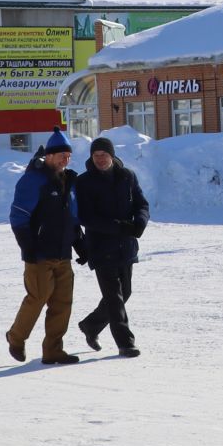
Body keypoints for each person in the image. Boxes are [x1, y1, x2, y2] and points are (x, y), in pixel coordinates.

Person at [6, 130, 83, 366]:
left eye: (68, 156)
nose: (65, 160)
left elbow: (73, 217)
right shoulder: (33, 180)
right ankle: (16, 338)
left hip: (63, 253)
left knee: (62, 302)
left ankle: (53, 350)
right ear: (49, 156)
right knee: (38, 297)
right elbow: (19, 216)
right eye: (61, 155)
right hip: (39, 253)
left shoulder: (69, 181)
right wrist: (27, 247)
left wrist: (80, 244)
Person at [75, 136, 150, 358]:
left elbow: (141, 204)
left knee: (124, 292)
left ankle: (91, 325)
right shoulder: (84, 182)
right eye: (96, 155)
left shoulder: (127, 176)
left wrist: (140, 223)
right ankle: (125, 343)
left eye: (104, 155)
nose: (100, 159)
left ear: (112, 156)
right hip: (100, 247)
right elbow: (86, 217)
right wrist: (119, 227)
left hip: (126, 246)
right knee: (114, 298)